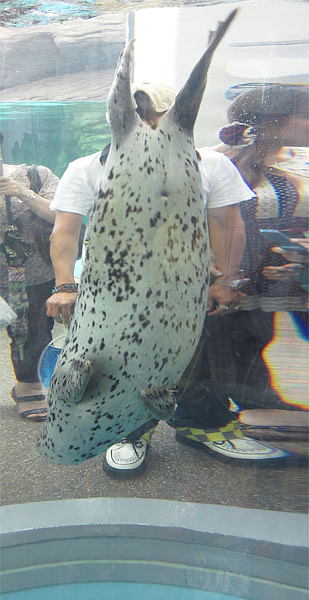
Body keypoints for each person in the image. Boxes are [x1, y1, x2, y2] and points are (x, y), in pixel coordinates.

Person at [46, 82, 256, 476]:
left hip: (185, 292)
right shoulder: (86, 167)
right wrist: (64, 285)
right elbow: (66, 231)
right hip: (112, 299)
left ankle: (201, 422)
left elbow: (229, 223)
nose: (143, 119)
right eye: (133, 111)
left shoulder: (210, 164)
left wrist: (227, 278)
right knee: (113, 368)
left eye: (151, 110)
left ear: (167, 114)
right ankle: (128, 434)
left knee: (197, 359)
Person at [170, 84, 308, 460]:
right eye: (304, 114)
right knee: (204, 354)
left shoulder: (281, 170)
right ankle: (201, 422)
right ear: (274, 121)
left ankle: (254, 407)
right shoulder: (211, 164)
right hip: (210, 282)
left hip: (260, 284)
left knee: (250, 345)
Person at [0, 144, 59, 421]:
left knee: (33, 332)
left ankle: (29, 385)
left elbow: (61, 215)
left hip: (33, 274)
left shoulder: (37, 175)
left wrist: (23, 193)